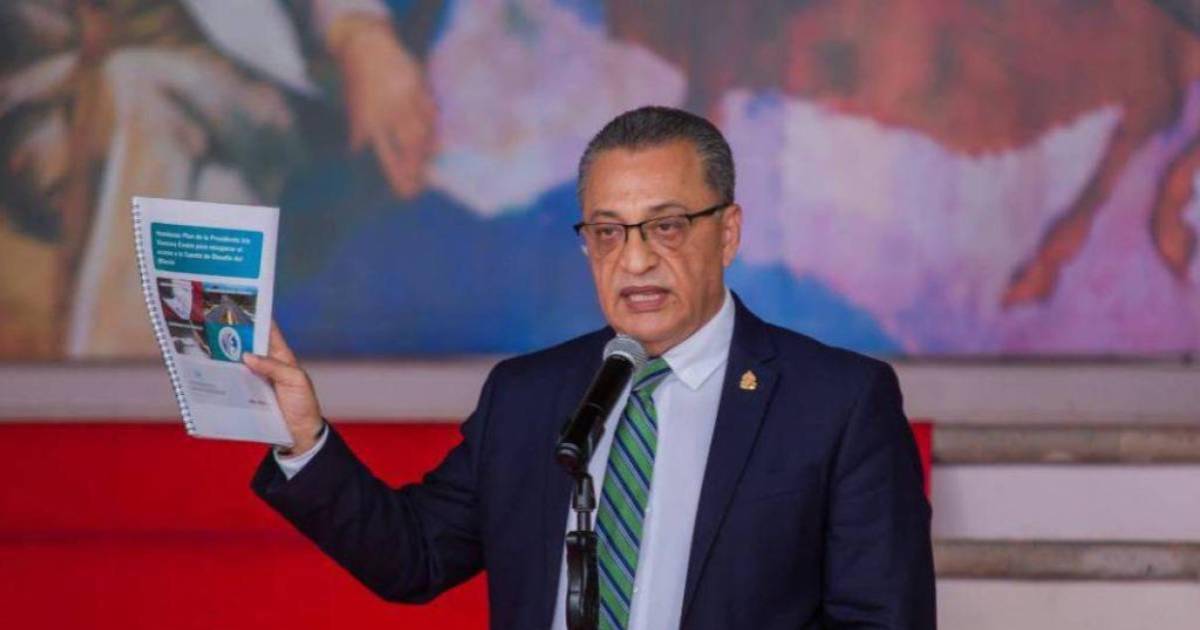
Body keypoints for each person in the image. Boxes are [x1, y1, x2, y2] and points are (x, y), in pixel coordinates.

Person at [245, 106, 935, 629]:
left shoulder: (837, 402)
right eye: (607, 232)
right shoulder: (526, 397)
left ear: (727, 233)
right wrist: (304, 439)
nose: (634, 260)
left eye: (666, 227)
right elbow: (414, 557)